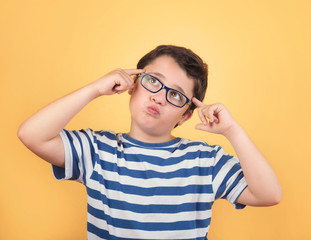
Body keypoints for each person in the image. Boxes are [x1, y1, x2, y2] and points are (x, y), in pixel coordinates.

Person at [18, 45, 282, 240]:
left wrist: (233, 131)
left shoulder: (205, 160)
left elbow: (269, 194)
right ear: (132, 85)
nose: (159, 97)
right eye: (153, 81)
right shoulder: (97, 150)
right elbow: (31, 134)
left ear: (186, 115)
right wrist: (94, 89)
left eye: (176, 95)